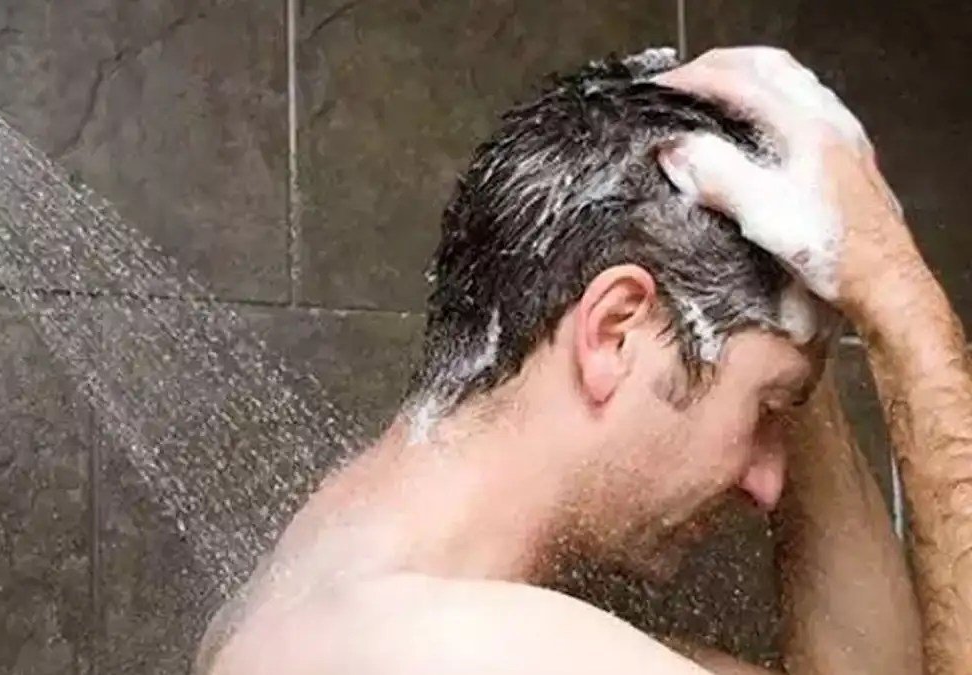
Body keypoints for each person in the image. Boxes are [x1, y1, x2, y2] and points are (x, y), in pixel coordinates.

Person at [197, 46, 972, 674]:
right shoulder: (448, 645)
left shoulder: (362, 589)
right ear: (615, 330)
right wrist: (900, 303)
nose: (768, 483)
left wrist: (801, 275)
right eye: (765, 412)